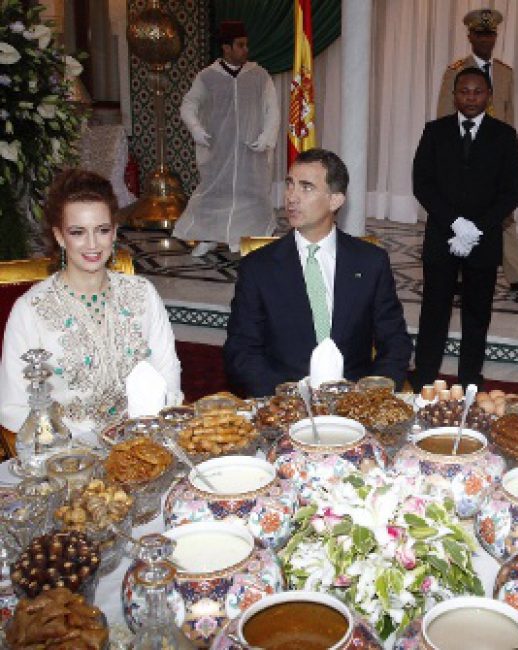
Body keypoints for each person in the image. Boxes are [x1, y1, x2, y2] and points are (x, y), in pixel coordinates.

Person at [0, 170, 182, 443]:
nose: (93, 244)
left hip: (142, 445)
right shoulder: (31, 310)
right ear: (60, 237)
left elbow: (167, 377)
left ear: (115, 232)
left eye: (102, 230)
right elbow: (13, 407)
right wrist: (72, 448)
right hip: (68, 459)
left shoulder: (142, 294)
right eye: (78, 232)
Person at [224, 149, 412, 397]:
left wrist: (370, 397)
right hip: (285, 405)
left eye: (306, 188)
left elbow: (396, 343)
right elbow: (241, 351)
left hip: (354, 405)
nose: (292, 197)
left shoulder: (370, 262)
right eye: (290, 185)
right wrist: (288, 399)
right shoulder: (259, 267)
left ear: (335, 200)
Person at [411, 67, 518, 389]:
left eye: (477, 92)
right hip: (441, 238)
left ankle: (470, 379)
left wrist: (475, 229)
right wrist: (455, 223)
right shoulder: (435, 131)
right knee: (435, 310)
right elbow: (423, 184)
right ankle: (424, 377)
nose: (470, 98)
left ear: (488, 96)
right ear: (454, 95)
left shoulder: (504, 135)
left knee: (477, 314)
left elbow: (512, 191)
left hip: (483, 242)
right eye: (464, 91)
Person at [435, 8, 518, 292]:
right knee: (459, 210)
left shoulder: (505, 73)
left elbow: (509, 115)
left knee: (503, 213)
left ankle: (516, 273)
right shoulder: (455, 72)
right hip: (465, 153)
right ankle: (456, 272)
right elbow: (445, 115)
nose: (485, 40)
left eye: (490, 34)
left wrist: (509, 153)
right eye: (480, 35)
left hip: (495, 154)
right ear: (470, 37)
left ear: (495, 37)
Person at [173, 20, 279, 257]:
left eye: (246, 45)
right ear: (226, 47)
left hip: (251, 150)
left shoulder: (259, 75)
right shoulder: (208, 76)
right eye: (240, 45)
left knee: (253, 194)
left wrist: (267, 137)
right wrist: (196, 129)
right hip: (218, 150)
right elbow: (189, 105)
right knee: (213, 193)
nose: (245, 50)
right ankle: (210, 237)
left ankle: (251, 239)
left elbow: (273, 109)